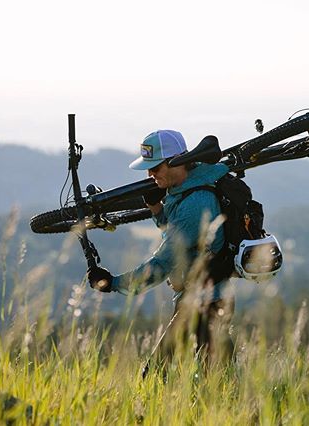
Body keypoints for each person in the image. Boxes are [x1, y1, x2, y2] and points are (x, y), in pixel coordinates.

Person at [87, 129, 234, 364]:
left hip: (206, 303)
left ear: (178, 162)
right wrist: (157, 209)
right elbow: (182, 237)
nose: (150, 174)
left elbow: (163, 263)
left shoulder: (195, 203)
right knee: (209, 377)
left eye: (155, 168)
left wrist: (113, 283)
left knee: (163, 371)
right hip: (197, 297)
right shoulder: (185, 188)